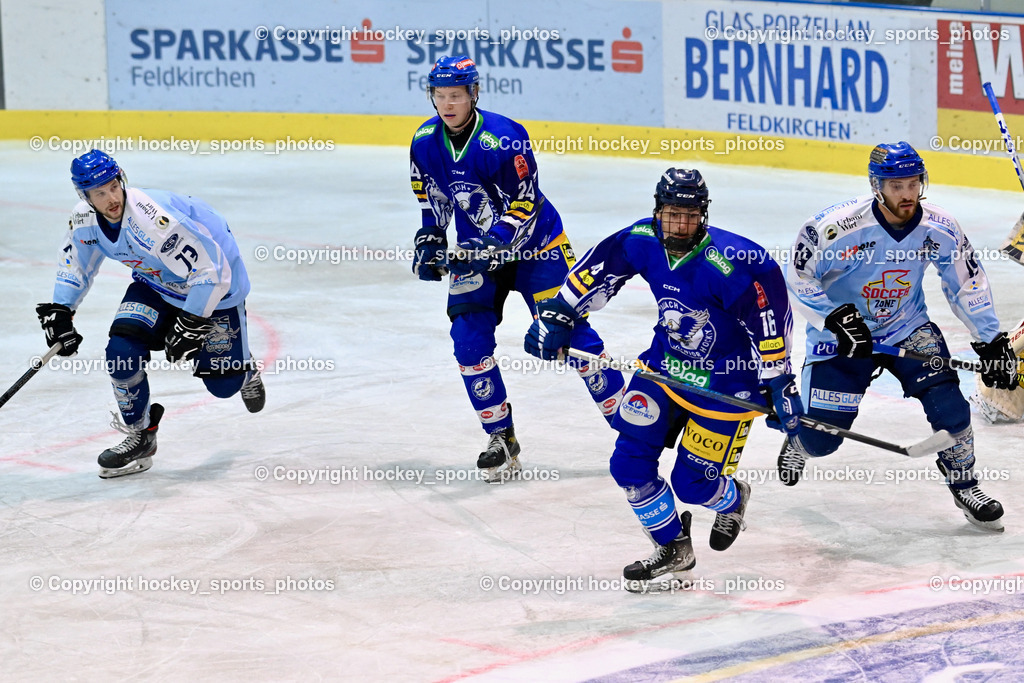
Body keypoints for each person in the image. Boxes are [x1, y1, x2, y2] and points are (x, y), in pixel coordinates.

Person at [524, 168, 804, 589]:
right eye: (672, 214)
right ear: (657, 211)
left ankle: (734, 498)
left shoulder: (737, 264)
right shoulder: (641, 240)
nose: (680, 225)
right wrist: (559, 313)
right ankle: (674, 546)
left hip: (727, 386)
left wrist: (779, 384)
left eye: (689, 215)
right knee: (628, 464)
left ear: (703, 215)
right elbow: (597, 271)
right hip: (664, 370)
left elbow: (768, 327)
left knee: (691, 486)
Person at [409, 55, 626, 482]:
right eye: (440, 96)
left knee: (573, 339)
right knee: (468, 343)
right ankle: (501, 439)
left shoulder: (505, 139)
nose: (447, 104)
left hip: (538, 249)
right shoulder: (423, 141)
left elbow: (525, 202)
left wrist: (497, 241)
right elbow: (432, 199)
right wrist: (431, 238)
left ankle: (636, 430)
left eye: (456, 95)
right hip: (478, 255)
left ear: (474, 93)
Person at [782, 141, 1017, 531]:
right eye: (897, 186)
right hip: (843, 339)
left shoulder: (938, 227)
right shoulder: (835, 227)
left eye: (913, 183)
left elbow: (966, 280)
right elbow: (799, 277)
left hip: (906, 328)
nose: (908, 194)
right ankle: (798, 443)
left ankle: (965, 484)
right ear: (877, 186)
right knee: (823, 440)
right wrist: (833, 318)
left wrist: (989, 340)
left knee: (952, 409)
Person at [37, 149, 265, 478]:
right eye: (99, 193)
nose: (111, 198)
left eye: (113, 186)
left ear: (121, 180)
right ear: (85, 197)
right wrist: (62, 310)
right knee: (120, 354)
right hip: (156, 286)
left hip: (215, 289)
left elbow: (210, 272)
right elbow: (76, 267)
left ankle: (245, 371)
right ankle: (140, 435)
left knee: (223, 386)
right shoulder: (84, 219)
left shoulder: (154, 220)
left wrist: (192, 322)